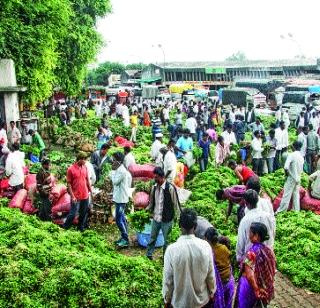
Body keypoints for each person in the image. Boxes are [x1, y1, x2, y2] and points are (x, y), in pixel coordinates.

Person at [162, 208, 216, 308]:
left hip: (179, 303)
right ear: (195, 226)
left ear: (179, 225)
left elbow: (168, 280)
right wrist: (212, 292)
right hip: (202, 302)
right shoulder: (205, 246)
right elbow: (210, 275)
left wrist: (166, 299)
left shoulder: (171, 250)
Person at [235, 222, 276, 308]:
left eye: (250, 232)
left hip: (250, 287)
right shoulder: (268, 250)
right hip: (263, 287)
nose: (248, 234)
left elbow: (249, 275)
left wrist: (256, 289)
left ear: (256, 235)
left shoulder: (251, 253)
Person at [146, 167, 181, 260]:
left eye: (156, 177)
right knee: (152, 237)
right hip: (156, 217)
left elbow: (175, 203)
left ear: (162, 177)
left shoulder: (170, 188)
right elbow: (151, 202)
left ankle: (166, 258)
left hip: (167, 219)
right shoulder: (154, 188)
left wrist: (179, 217)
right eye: (154, 177)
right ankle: (149, 255)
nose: (155, 179)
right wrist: (147, 210)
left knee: (167, 240)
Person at [236, 190, 275, 262]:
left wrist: (239, 258)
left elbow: (240, 242)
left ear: (246, 203)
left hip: (251, 259)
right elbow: (273, 232)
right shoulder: (268, 216)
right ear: (257, 200)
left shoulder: (245, 221)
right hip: (268, 254)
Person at [205, 228, 235, 308]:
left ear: (207, 239)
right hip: (228, 280)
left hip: (219, 283)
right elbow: (229, 256)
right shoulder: (224, 248)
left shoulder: (209, 251)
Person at [63, 152, 92, 232]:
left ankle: (80, 228)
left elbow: (87, 180)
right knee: (73, 213)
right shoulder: (71, 169)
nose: (85, 161)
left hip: (85, 195)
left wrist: (90, 191)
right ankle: (65, 227)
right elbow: (69, 184)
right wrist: (72, 196)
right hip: (76, 196)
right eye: (84, 159)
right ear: (80, 159)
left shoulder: (85, 167)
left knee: (83, 213)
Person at [110, 152, 132, 248]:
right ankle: (123, 237)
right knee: (122, 218)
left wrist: (112, 172)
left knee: (119, 220)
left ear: (119, 161)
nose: (112, 162)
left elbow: (115, 182)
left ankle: (126, 239)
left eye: (114, 160)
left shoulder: (121, 171)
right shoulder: (120, 169)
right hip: (119, 197)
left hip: (121, 199)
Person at [276, 141, 304, 213]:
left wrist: (286, 174)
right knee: (296, 194)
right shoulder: (301, 156)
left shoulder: (291, 155)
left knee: (287, 195)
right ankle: (296, 210)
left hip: (291, 178)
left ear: (293, 147)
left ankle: (281, 211)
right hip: (298, 177)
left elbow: (286, 167)